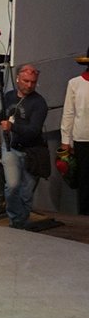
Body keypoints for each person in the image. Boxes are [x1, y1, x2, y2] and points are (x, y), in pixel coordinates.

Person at [0, 64, 49, 229]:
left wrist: (12, 127)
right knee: (12, 186)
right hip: (12, 147)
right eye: (26, 81)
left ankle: (21, 221)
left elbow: (34, 131)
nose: (29, 85)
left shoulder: (39, 103)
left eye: (33, 82)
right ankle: (16, 221)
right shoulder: (9, 96)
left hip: (32, 151)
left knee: (26, 193)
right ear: (18, 79)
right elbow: (1, 117)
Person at [61, 47, 89, 216]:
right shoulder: (75, 83)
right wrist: (66, 141)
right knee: (84, 182)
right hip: (83, 139)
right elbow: (69, 113)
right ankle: (85, 219)